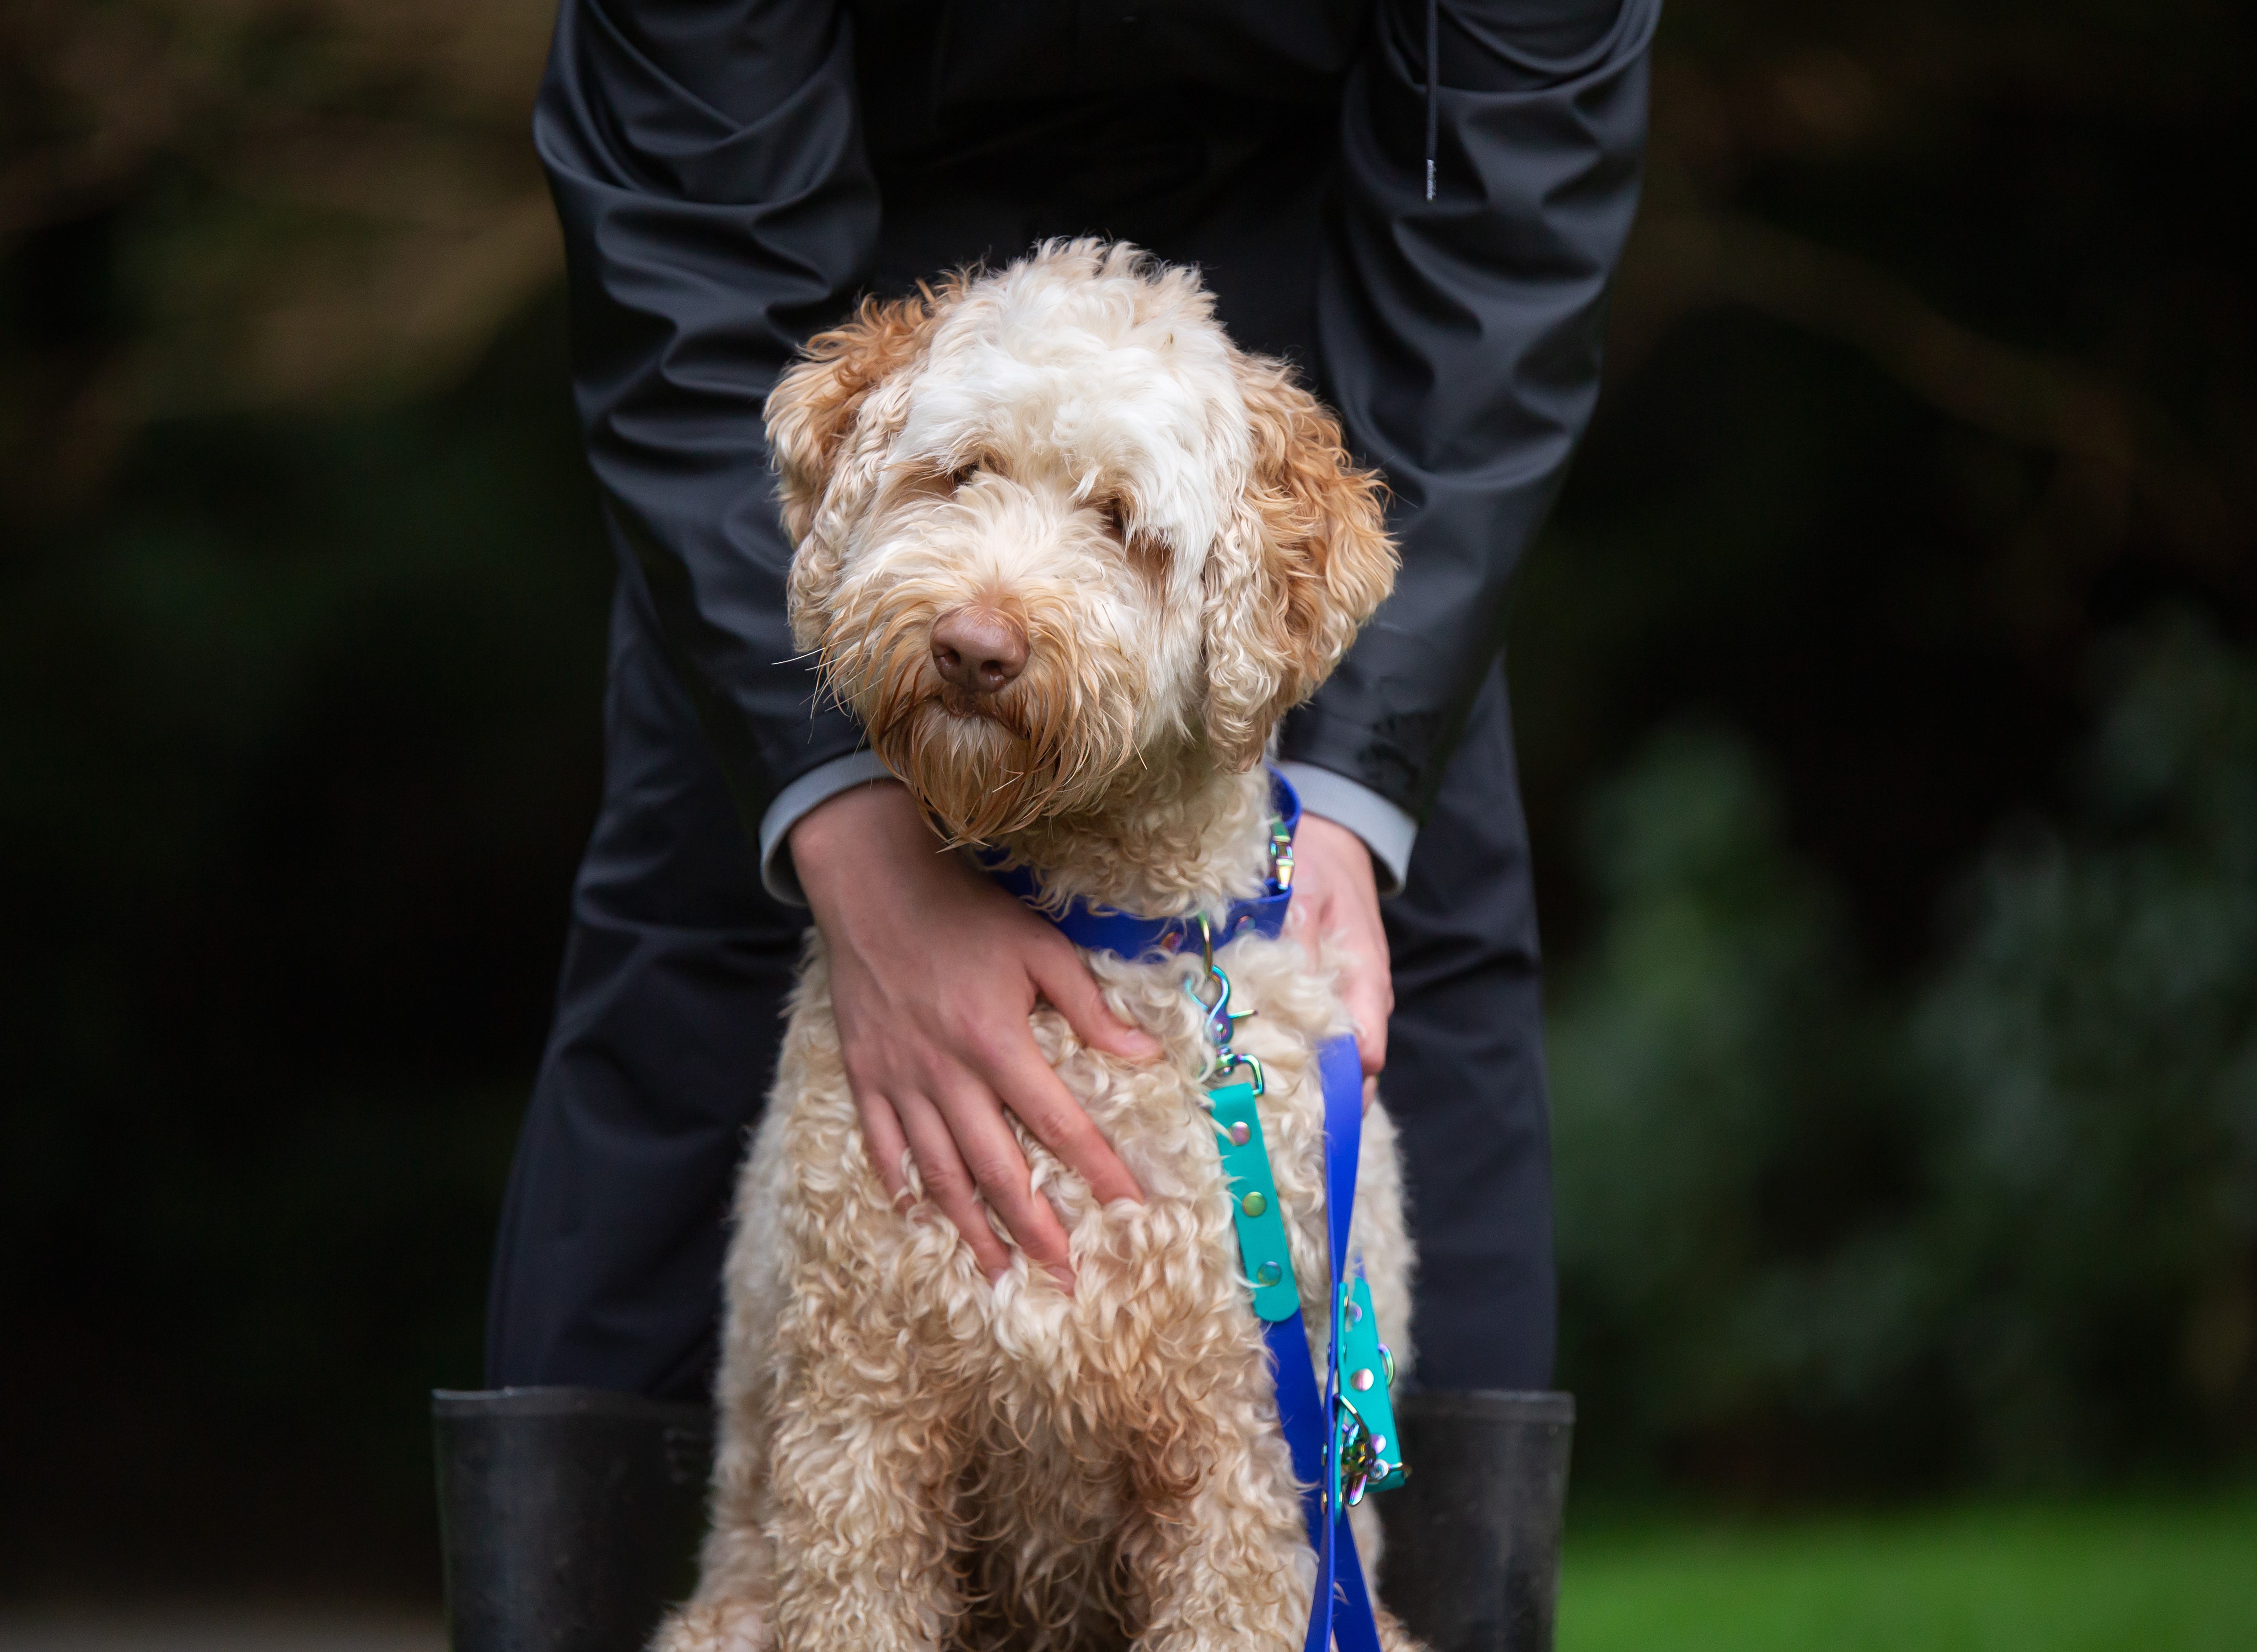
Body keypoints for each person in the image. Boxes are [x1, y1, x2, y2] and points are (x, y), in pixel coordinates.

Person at [437, 5, 1656, 1650]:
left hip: (1338, 351)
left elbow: (1510, 220)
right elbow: (684, 236)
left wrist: (1348, 795)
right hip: (838, 360)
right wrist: (844, 827)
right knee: (686, 965)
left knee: (1416, 1005)